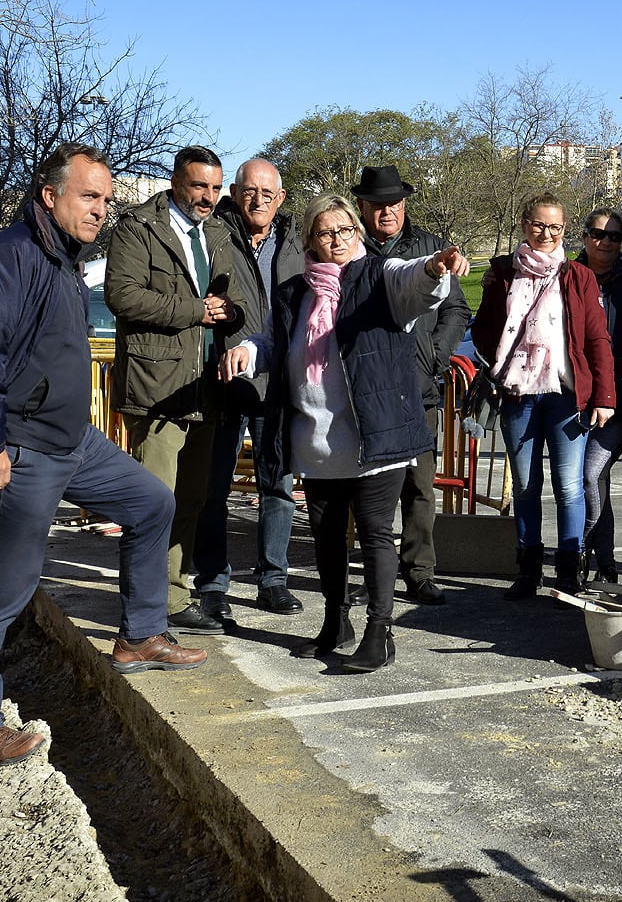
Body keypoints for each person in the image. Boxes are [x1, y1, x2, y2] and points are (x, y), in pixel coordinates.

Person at [0, 143, 208, 767]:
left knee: (152, 502)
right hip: (22, 449)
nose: (101, 209)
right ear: (51, 197)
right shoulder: (5, 259)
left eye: (106, 198)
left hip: (74, 442)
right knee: (0, 587)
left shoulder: (64, 259)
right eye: (89, 197)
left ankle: (140, 636)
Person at [221, 194, 469, 673]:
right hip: (316, 441)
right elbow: (273, 340)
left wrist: (435, 268)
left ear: (357, 232)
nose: (335, 241)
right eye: (324, 233)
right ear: (309, 240)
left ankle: (380, 631)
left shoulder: (379, 277)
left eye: (344, 231)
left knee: (376, 535)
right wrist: (247, 353)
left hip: (374, 438)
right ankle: (336, 623)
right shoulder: (295, 292)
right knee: (328, 538)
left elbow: (412, 280)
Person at [105, 145, 247, 635]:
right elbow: (122, 296)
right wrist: (195, 311)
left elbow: (236, 299)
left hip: (207, 387)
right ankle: (141, 614)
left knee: (190, 500)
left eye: (214, 187)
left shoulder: (220, 233)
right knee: (152, 503)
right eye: (198, 186)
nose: (207, 197)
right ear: (175, 182)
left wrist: (232, 313)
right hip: (157, 389)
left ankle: (171, 598)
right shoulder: (137, 227)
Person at [470, 193, 616, 599]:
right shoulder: (502, 272)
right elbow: (483, 327)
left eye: (555, 227)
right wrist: (502, 361)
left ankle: (569, 571)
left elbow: (597, 339)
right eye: (538, 225)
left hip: (566, 397)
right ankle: (528, 571)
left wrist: (605, 396)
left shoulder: (578, 277)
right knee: (525, 486)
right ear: (523, 224)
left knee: (569, 487)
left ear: (564, 229)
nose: (546, 234)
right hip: (518, 395)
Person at [352, 164, 471, 606]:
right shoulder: (349, 246)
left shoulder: (430, 247)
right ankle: (373, 573)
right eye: (379, 205)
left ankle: (419, 572)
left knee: (421, 486)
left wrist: (435, 356)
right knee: (369, 489)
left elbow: (456, 311)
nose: (388, 212)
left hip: (417, 387)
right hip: (364, 389)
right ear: (363, 206)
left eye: (395, 204)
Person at [192, 158, 304, 623]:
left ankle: (273, 579)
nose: (258, 200)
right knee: (212, 488)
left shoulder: (297, 241)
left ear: (280, 199)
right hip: (221, 380)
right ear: (235, 193)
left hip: (277, 381)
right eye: (249, 191)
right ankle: (213, 584)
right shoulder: (213, 235)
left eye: (268, 193)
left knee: (276, 485)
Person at [576, 209, 622, 584]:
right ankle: (603, 564)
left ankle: (592, 554)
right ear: (584, 236)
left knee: (591, 473)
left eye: (614, 236)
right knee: (586, 480)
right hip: (576, 396)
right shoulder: (567, 276)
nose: (606, 242)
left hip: (621, 398)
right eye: (598, 233)